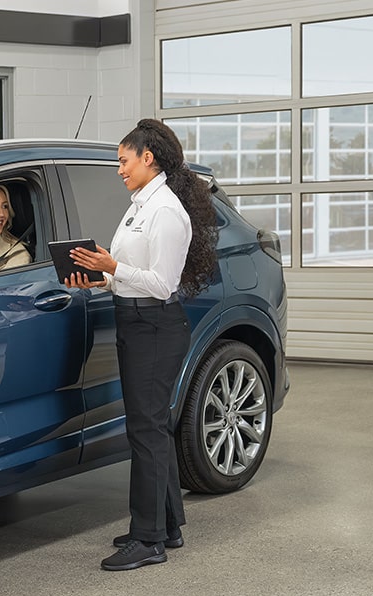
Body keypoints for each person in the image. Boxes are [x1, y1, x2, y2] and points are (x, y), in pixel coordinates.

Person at [64, 118, 217, 572]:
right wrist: (99, 277)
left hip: (155, 326)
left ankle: (147, 540)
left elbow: (162, 283)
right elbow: (131, 275)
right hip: (135, 321)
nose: (119, 169)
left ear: (147, 157)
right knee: (151, 428)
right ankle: (166, 525)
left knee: (146, 431)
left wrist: (114, 267)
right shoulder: (140, 204)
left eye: (123, 161)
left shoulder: (166, 211)